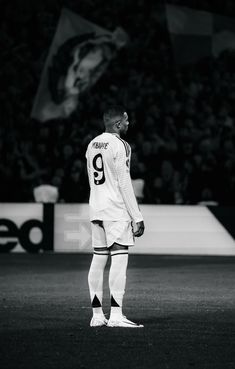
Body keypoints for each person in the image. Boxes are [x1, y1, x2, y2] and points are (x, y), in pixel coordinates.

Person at [86, 105, 145, 328]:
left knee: (98, 258)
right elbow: (124, 181)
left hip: (96, 207)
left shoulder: (92, 144)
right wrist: (136, 216)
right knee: (119, 259)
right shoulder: (121, 145)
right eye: (126, 121)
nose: (129, 124)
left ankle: (97, 315)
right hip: (115, 209)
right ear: (118, 124)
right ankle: (117, 315)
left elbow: (90, 177)